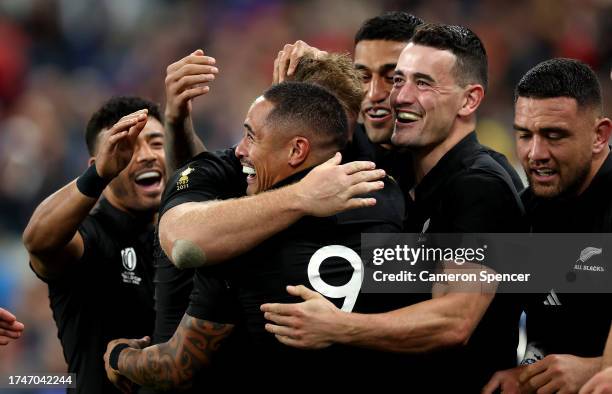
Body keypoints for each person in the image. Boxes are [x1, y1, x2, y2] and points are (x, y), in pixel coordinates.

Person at [261, 23, 526, 392]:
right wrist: (321, 77)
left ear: (469, 100)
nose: (398, 97)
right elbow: (353, 131)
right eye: (400, 80)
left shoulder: (479, 187)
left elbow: (454, 320)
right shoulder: (408, 173)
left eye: (423, 83)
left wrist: (336, 326)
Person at [103, 81, 401, 389]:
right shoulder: (390, 198)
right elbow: (440, 312)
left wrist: (119, 357)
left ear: (297, 150)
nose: (240, 150)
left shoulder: (240, 240)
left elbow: (176, 366)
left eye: (250, 136)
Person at [274, 11, 523, 191]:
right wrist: (315, 80)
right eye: (362, 76)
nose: (373, 94)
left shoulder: (477, 182)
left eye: (393, 77)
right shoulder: (348, 150)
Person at [23, 97, 173, 394]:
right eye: (126, 149)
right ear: (100, 163)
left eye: (156, 143)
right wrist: (97, 177)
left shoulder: (180, 234)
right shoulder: (88, 235)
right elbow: (37, 241)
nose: (146, 155)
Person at [483, 58, 612, 394]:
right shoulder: (527, 211)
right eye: (525, 135)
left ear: (600, 136)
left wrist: (593, 369)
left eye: (554, 135)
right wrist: (525, 373)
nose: (535, 153)